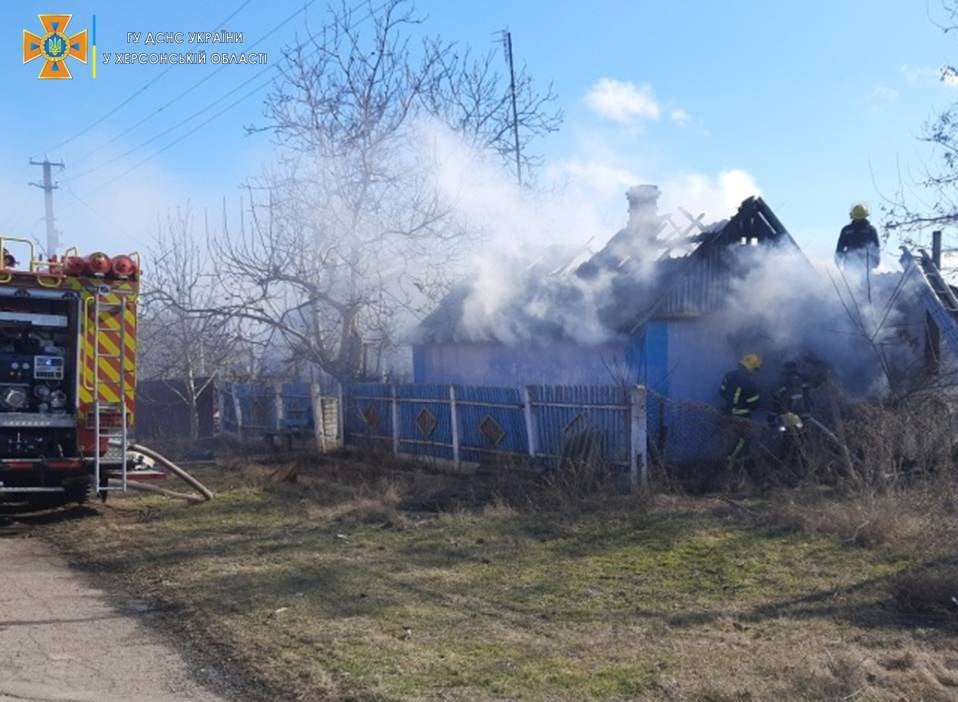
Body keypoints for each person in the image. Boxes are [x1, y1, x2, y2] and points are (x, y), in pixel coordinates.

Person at [719, 353, 762, 469]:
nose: (755, 373)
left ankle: (735, 466)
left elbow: (721, 392)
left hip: (726, 414)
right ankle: (734, 467)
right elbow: (754, 404)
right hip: (742, 417)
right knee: (742, 441)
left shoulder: (728, 375)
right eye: (755, 369)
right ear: (751, 367)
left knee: (730, 441)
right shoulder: (749, 383)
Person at [835, 203, 880, 270]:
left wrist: (875, 261)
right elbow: (840, 247)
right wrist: (838, 259)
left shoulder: (847, 230)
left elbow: (875, 248)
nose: (858, 220)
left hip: (865, 263)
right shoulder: (847, 230)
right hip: (850, 263)